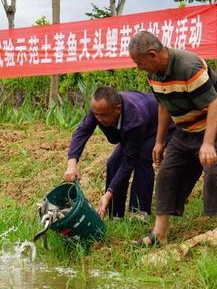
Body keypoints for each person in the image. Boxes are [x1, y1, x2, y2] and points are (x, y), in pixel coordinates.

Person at [128, 30, 217, 256]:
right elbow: (163, 106)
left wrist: (208, 144)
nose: (138, 67)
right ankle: (159, 234)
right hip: (186, 129)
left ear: (153, 54)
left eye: (139, 62)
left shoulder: (188, 67)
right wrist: (160, 141)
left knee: (214, 173)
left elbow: (213, 105)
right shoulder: (154, 74)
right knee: (166, 174)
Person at [64, 86, 173, 221]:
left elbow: (128, 162)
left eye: (103, 115)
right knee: (113, 162)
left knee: (142, 159)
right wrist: (72, 163)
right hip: (135, 129)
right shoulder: (99, 110)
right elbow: (82, 131)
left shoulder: (134, 119)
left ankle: (139, 212)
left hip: (158, 125)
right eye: (96, 115)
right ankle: (115, 214)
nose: (99, 119)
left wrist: (109, 193)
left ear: (118, 108)